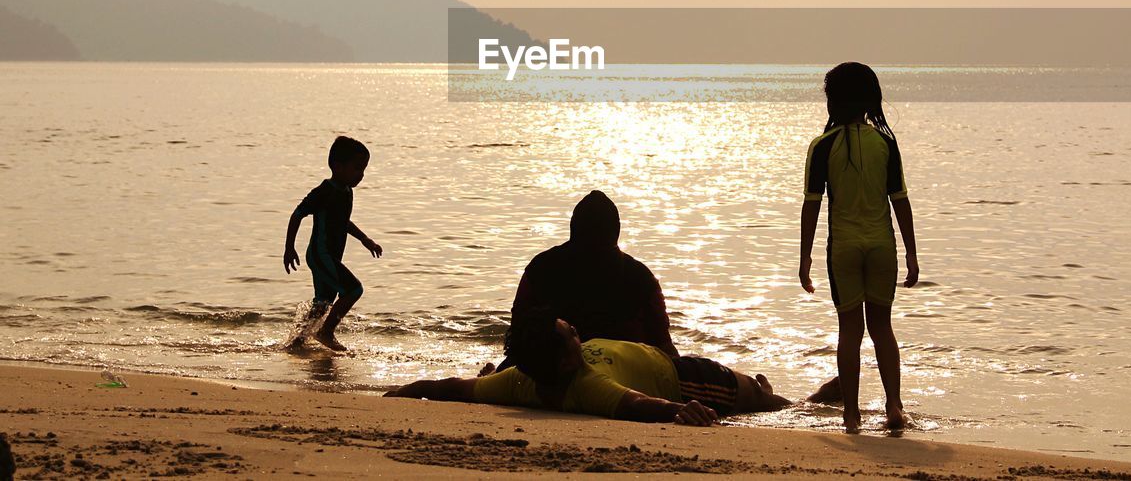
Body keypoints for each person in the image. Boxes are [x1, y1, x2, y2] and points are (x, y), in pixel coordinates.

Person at [385, 307, 790, 424]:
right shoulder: (587, 386)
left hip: (654, 361)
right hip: (683, 378)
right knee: (772, 405)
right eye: (572, 335)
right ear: (564, 363)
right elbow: (637, 405)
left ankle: (760, 387)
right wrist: (681, 410)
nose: (579, 332)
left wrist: (403, 391)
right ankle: (784, 393)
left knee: (759, 396)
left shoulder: (518, 380)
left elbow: (451, 387)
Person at [798, 62, 919, 431]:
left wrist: (804, 258)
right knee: (882, 327)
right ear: (871, 99)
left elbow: (812, 204)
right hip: (882, 246)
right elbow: (900, 200)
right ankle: (894, 407)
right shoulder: (885, 142)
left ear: (832, 100)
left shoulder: (822, 146)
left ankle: (851, 416)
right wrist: (912, 255)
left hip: (844, 250)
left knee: (850, 331)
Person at [510, 190, 677, 356]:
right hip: (624, 370)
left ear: (573, 226)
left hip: (552, 370)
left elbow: (517, 334)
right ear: (616, 230)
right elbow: (663, 344)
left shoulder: (540, 268)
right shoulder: (642, 277)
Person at [283, 135, 383, 351]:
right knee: (353, 289)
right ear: (337, 166)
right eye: (357, 168)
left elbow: (342, 221)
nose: (361, 175)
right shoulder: (324, 192)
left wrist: (365, 239)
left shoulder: (346, 192)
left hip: (329, 255)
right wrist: (289, 247)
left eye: (364, 169)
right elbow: (297, 214)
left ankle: (296, 344)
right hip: (321, 254)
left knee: (322, 303)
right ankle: (326, 332)